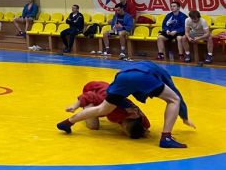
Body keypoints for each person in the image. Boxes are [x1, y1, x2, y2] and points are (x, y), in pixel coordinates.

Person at [57, 61, 195, 148]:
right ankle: (166, 137)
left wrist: (117, 97)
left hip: (121, 77)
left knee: (103, 108)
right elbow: (176, 93)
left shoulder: (132, 67)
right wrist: (185, 116)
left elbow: (121, 80)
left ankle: (68, 122)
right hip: (142, 76)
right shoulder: (161, 73)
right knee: (174, 99)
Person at [63, 81, 150, 138]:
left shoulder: (138, 116)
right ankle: (88, 105)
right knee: (93, 126)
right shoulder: (112, 107)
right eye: (125, 131)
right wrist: (75, 106)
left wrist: (143, 131)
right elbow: (89, 95)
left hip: (107, 90)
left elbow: (146, 125)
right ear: (125, 125)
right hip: (92, 89)